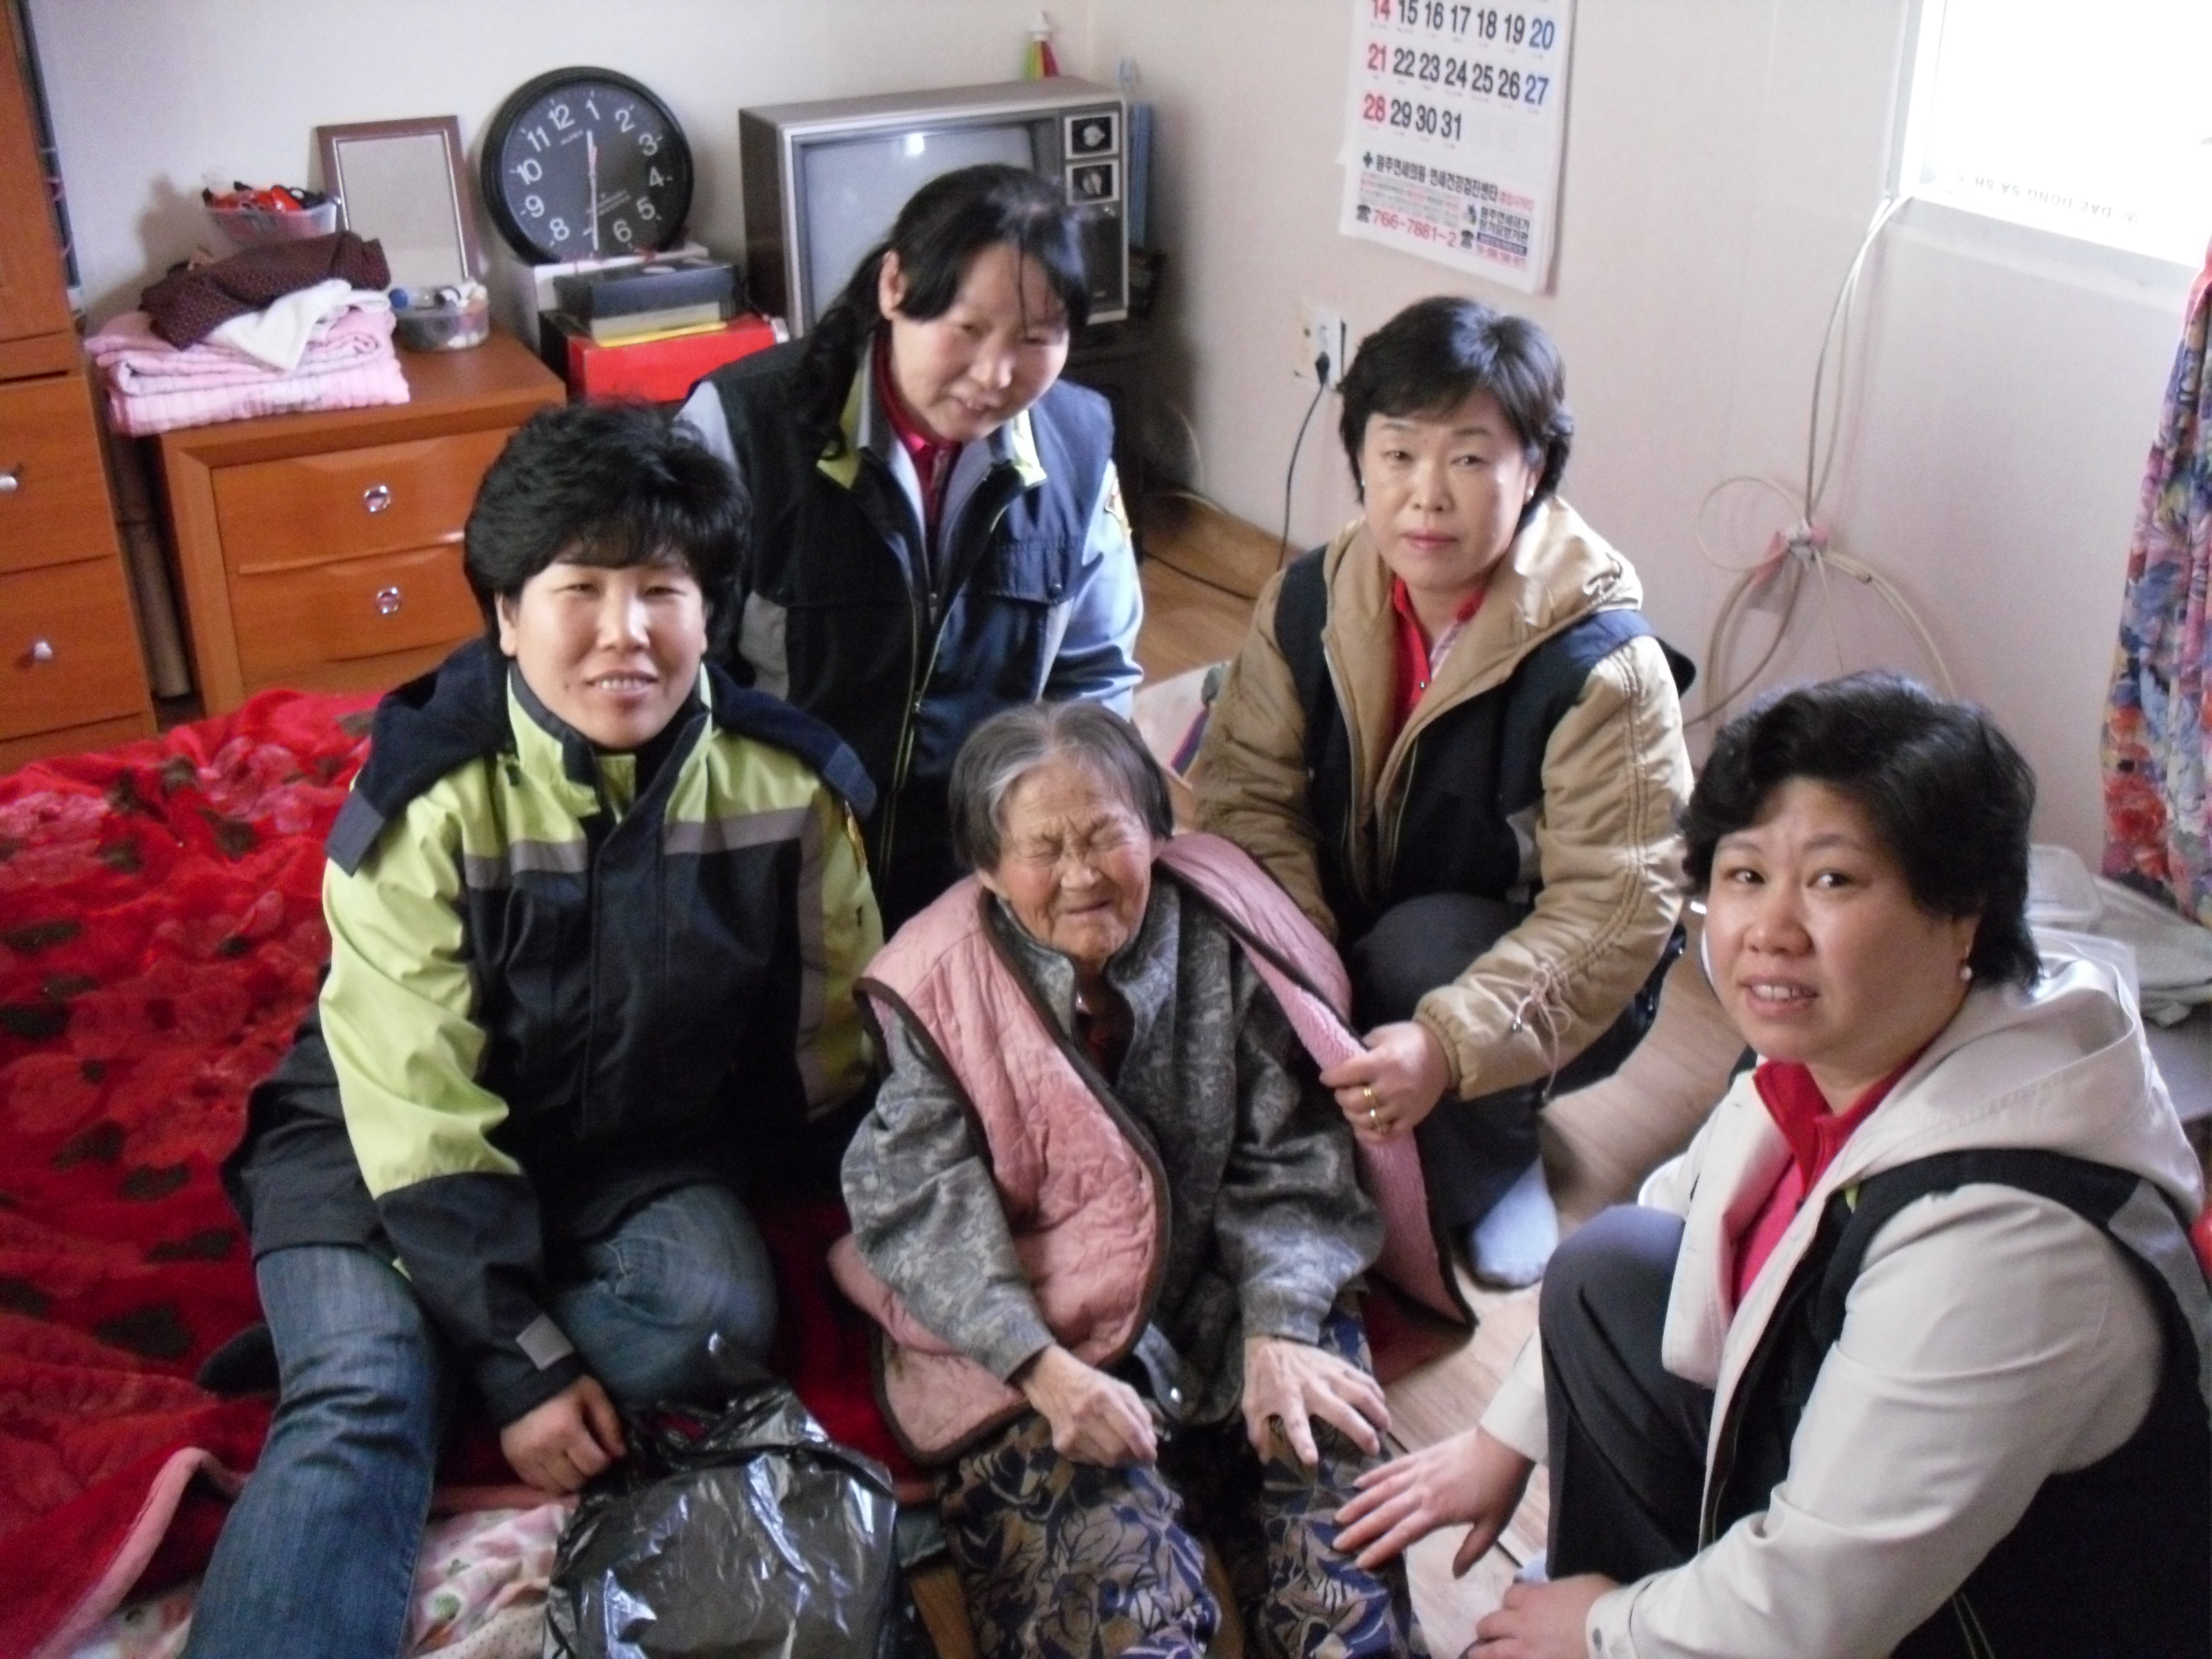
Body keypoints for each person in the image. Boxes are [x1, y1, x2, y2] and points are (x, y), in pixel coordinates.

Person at [190, 404, 883, 1659]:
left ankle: (421, 1333)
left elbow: (831, 1046)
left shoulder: (790, 787)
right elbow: (418, 1115)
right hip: (381, 1162)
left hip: (629, 1153)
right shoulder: (427, 803)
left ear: (709, 612)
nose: (626, 632)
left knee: (714, 1314)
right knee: (361, 1403)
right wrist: (521, 1360)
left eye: (662, 590)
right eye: (581, 590)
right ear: (507, 616)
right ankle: (390, 1344)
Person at [1334, 674, 2212, 1659]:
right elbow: (1682, 1208)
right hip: (1861, 1506)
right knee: (1614, 1271)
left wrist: (1602, 1631)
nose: (1770, 931)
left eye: (1833, 881)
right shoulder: (1840, 1052)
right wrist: (1504, 1437)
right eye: (1745, 875)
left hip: (1991, 1620)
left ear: (1963, 912)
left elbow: (1819, 1604)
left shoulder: (2006, 1242)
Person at [836, 702, 1422, 1658]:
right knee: (1114, 1623)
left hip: (1230, 1291)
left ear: (1154, 828)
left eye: (1107, 835)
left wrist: (1281, 1321)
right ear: (987, 867)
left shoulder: (1221, 934)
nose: (1081, 875)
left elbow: (1292, 1148)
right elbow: (918, 1207)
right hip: (1041, 1324)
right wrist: (1039, 1367)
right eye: (1043, 849)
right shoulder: (939, 981)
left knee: (1347, 1597)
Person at [1192, 295, 1693, 1287]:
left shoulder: (1603, 666)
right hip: (1360, 922)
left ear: (1533, 471)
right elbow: (1248, 791)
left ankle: (1498, 1154)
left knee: (1420, 956)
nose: (1427, 496)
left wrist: (1445, 1047)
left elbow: (1615, 911)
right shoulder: (1309, 599)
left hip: (1523, 971)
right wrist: (1303, 957)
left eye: (1469, 459)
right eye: (1398, 454)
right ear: (1361, 460)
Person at [677, 163, 1143, 934]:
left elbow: (1093, 675)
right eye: (968, 329)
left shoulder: (1079, 449)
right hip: (772, 864)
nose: (995, 375)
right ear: (894, 287)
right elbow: (683, 679)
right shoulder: (742, 429)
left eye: (1035, 340)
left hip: (979, 870)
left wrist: (1056, 840)